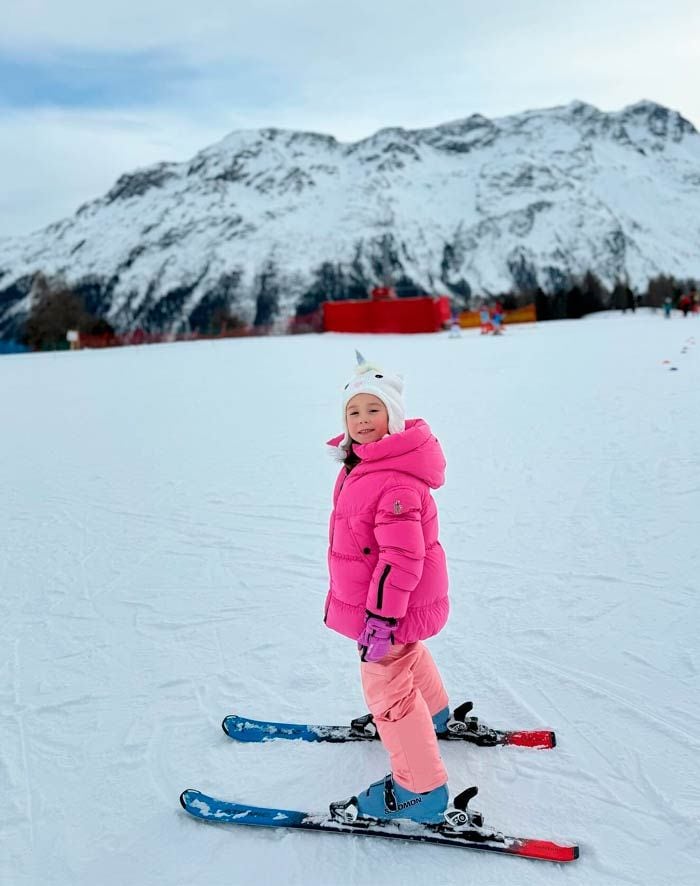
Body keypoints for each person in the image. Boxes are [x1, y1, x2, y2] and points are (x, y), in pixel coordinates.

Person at [324, 352, 452, 825]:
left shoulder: (393, 479)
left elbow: (402, 559)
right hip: (396, 606)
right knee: (407, 655)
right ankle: (435, 718)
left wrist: (380, 618)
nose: (361, 421)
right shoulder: (365, 464)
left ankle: (420, 791)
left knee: (387, 687)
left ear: (392, 417)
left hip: (389, 606)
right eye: (352, 412)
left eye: (372, 410)